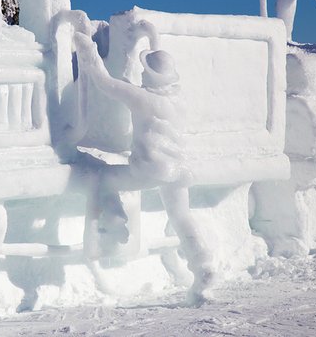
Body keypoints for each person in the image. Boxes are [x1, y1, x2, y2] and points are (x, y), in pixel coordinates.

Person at [73, 32, 214, 303]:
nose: (141, 74)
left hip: (151, 168)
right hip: (180, 169)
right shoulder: (178, 101)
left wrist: (87, 51)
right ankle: (203, 264)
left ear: (151, 77)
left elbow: (105, 83)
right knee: (181, 216)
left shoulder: (144, 99)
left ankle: (115, 225)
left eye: (144, 70)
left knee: (103, 178)